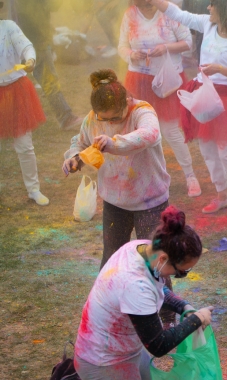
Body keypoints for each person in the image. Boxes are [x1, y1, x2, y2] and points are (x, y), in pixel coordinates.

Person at [73, 206, 215, 380]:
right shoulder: (135, 285)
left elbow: (157, 287)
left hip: (123, 349)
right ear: (163, 258)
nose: (181, 275)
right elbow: (158, 344)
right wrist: (196, 319)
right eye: (181, 272)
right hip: (104, 362)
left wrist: (183, 306)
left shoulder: (141, 249)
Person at [147, 0, 227, 217]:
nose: (208, 8)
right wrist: (155, 1)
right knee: (207, 147)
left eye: (212, 4)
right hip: (204, 94)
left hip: (225, 99)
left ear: (223, 8)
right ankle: (223, 195)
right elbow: (180, 14)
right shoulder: (207, 24)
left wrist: (220, 69)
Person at [63, 69, 170, 269]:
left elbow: (150, 134)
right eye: (104, 119)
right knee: (112, 263)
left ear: (126, 102)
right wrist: (74, 158)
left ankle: (161, 302)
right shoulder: (93, 118)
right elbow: (80, 144)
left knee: (154, 266)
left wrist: (112, 143)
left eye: (116, 117)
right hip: (115, 201)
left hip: (149, 201)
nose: (110, 123)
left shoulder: (142, 111)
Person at [118, 0, 201, 198]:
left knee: (170, 130)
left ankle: (190, 175)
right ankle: (143, 178)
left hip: (167, 80)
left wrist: (166, 48)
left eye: (150, 4)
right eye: (143, 5)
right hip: (139, 80)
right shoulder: (130, 15)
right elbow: (121, 46)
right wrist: (131, 54)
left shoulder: (170, 13)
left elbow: (188, 42)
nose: (147, 8)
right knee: (139, 131)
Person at [0, 5, 49, 207]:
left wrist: (30, 59)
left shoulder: (9, 27)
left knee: (24, 145)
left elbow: (26, 45)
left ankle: (33, 189)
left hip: (15, 91)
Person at [16, 0, 84, 131]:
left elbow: (52, 7)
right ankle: (65, 117)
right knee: (49, 81)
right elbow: (32, 15)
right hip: (36, 42)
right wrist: (40, 40)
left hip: (29, 40)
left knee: (12, 81)